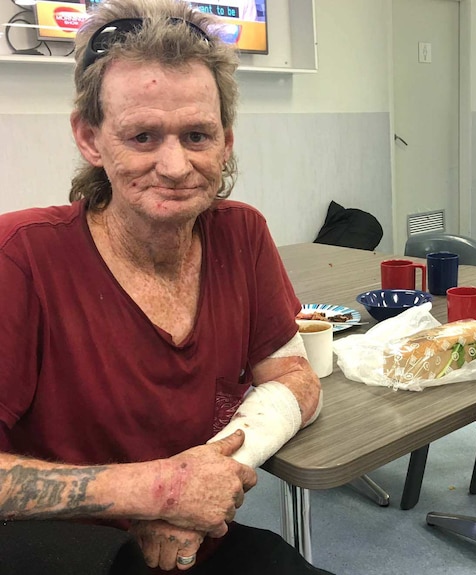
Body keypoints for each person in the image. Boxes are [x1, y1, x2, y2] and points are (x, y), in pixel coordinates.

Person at [0, 1, 332, 574]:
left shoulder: (241, 234)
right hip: (59, 547)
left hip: (198, 536)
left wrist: (202, 482)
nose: (175, 166)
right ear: (90, 138)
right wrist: (158, 490)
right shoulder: (21, 256)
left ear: (226, 141)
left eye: (197, 135)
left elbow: (296, 378)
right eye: (143, 136)